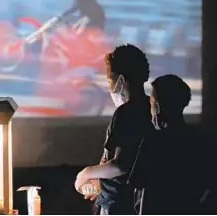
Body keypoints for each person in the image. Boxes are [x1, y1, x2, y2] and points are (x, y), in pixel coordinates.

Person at [74, 44, 152, 215]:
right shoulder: (151, 108)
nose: (109, 87)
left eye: (110, 80)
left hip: (118, 205)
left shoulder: (126, 112)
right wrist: (100, 178)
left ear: (121, 80)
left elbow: (120, 165)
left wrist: (86, 174)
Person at [130, 74, 209, 214]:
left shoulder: (153, 142)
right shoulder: (198, 139)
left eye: (151, 103)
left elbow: (141, 188)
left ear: (158, 107)